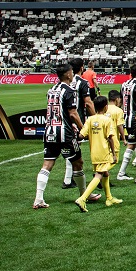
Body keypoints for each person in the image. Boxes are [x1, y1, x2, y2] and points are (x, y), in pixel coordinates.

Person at [32, 63, 100, 209]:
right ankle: (84, 195)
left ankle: (38, 198)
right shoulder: (69, 90)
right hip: (65, 133)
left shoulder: (51, 90)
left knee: (47, 164)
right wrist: (83, 129)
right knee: (78, 162)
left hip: (49, 130)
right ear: (68, 75)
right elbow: (73, 113)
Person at [74, 96, 121, 211]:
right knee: (99, 174)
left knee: (105, 173)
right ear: (106, 107)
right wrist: (114, 154)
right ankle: (83, 198)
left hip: (94, 152)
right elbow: (110, 138)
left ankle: (109, 197)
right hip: (104, 151)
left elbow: (81, 135)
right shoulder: (107, 120)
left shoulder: (90, 119)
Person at [63, 58, 94, 190]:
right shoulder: (82, 82)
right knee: (75, 149)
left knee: (71, 147)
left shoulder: (64, 82)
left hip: (64, 119)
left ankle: (68, 178)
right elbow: (87, 103)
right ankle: (68, 179)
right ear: (82, 67)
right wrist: (96, 116)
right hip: (77, 118)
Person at [117, 63, 136, 181]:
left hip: (126, 116)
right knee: (132, 144)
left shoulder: (124, 84)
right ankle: (121, 173)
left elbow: (120, 102)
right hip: (134, 118)